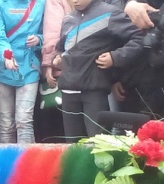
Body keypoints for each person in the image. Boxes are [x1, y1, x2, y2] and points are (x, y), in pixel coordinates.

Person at [54, 0, 143, 140]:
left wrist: (115, 57)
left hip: (94, 91)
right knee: (72, 146)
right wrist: (57, 59)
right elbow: (61, 48)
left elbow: (139, 39)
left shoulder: (110, 13)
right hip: (68, 91)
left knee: (98, 143)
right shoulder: (68, 19)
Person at [0, 0, 45, 144]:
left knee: (24, 122)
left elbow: (52, 32)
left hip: (29, 68)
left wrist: (39, 39)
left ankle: (26, 158)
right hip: (3, 68)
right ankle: (7, 159)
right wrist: (7, 56)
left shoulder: (41, 3)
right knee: (6, 125)